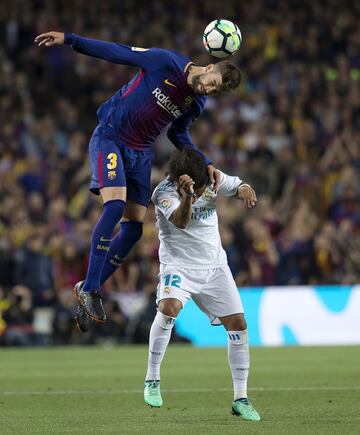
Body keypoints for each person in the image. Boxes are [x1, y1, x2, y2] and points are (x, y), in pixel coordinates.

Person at [34, 31, 242, 327]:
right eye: (214, 84)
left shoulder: (194, 103)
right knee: (114, 207)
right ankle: (92, 289)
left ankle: (86, 288)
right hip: (112, 137)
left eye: (216, 92)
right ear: (209, 68)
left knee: (133, 230)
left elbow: (177, 134)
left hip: (140, 154)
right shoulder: (164, 62)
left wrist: (205, 162)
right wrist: (69, 39)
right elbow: (115, 50)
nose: (209, 91)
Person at [143, 149, 260, 421]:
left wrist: (244, 188)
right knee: (168, 307)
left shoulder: (213, 177)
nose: (210, 187)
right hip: (178, 266)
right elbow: (181, 222)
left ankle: (240, 398)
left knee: (239, 325)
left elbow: (237, 183)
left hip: (215, 267)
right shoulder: (164, 192)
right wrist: (187, 197)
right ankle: (152, 379)